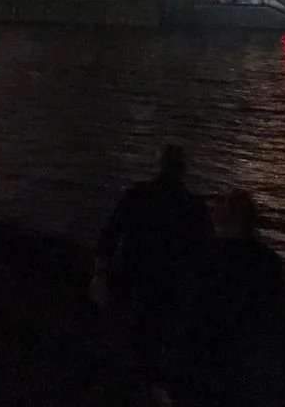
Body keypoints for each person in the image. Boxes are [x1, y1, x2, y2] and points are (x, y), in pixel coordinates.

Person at [91, 145, 213, 394]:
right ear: (183, 171)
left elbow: (108, 237)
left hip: (133, 282)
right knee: (160, 352)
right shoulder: (195, 207)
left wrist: (100, 275)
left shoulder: (136, 195)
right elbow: (207, 255)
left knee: (130, 346)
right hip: (172, 290)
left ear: (158, 166)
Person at [160, 189, 285, 406]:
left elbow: (191, 318)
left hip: (210, 368)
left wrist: (171, 377)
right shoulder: (268, 262)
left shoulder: (208, 259)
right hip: (251, 370)